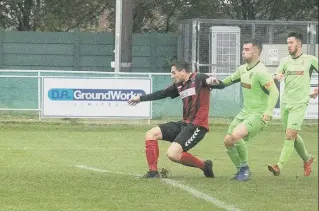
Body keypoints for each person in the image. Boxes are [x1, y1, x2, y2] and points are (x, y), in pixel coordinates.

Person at [205, 41, 279, 181]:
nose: (243, 52)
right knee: (228, 141)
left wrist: (269, 112)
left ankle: (244, 169)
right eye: (243, 49)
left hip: (259, 114)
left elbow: (274, 92)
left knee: (236, 135)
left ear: (256, 52)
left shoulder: (261, 72)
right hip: (246, 112)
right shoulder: (242, 69)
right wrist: (214, 84)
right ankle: (240, 170)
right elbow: (227, 82)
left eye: (246, 49)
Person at [128, 60, 215, 178]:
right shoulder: (180, 85)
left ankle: (205, 166)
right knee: (151, 134)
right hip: (183, 124)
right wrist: (140, 98)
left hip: (197, 126)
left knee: (173, 154)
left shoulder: (199, 78)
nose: (171, 76)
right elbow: (162, 93)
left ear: (183, 71)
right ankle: (153, 172)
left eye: (173, 73)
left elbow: (218, 83)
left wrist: (214, 82)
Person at [268, 32, 318, 177]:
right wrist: (276, 76)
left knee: (290, 135)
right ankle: (307, 159)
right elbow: (276, 75)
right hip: (285, 103)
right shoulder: (285, 61)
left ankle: (279, 166)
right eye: (287, 43)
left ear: (299, 44)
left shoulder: (310, 60)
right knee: (292, 135)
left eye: (291, 43)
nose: (288, 45)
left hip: (300, 103)